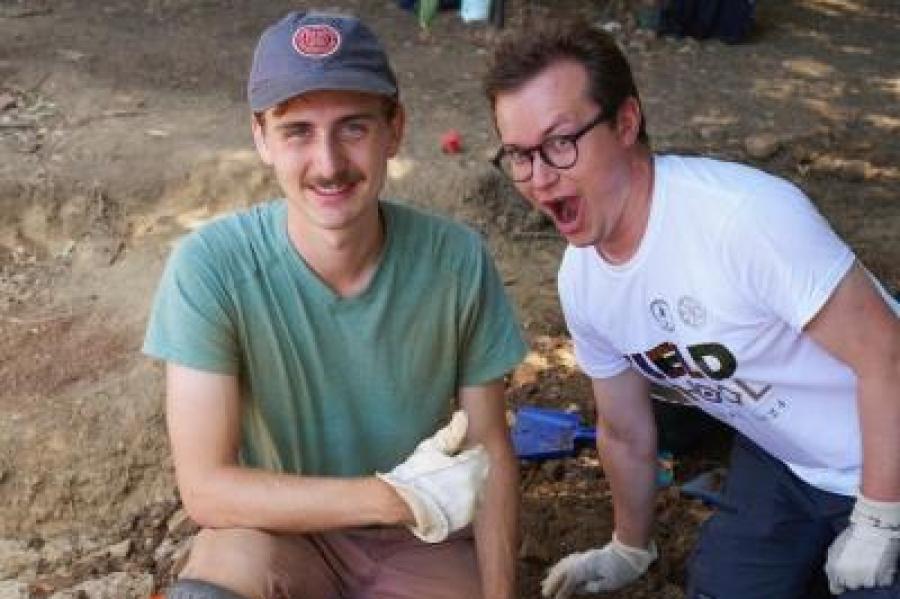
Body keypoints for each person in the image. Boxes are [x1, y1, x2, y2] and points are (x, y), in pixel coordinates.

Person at [483, 18, 900, 599]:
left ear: (626, 122)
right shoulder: (583, 281)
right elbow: (625, 431)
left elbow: (887, 355)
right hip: (785, 458)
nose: (540, 179)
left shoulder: (743, 220)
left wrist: (881, 514)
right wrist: (629, 547)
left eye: (560, 143)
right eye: (519, 155)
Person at [143, 10, 527, 599]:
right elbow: (207, 489)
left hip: (420, 542)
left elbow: (490, 449)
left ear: (394, 129)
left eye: (353, 127)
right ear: (261, 138)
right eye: (297, 130)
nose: (327, 163)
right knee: (213, 587)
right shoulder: (210, 267)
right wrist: (396, 497)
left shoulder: (456, 261)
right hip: (283, 532)